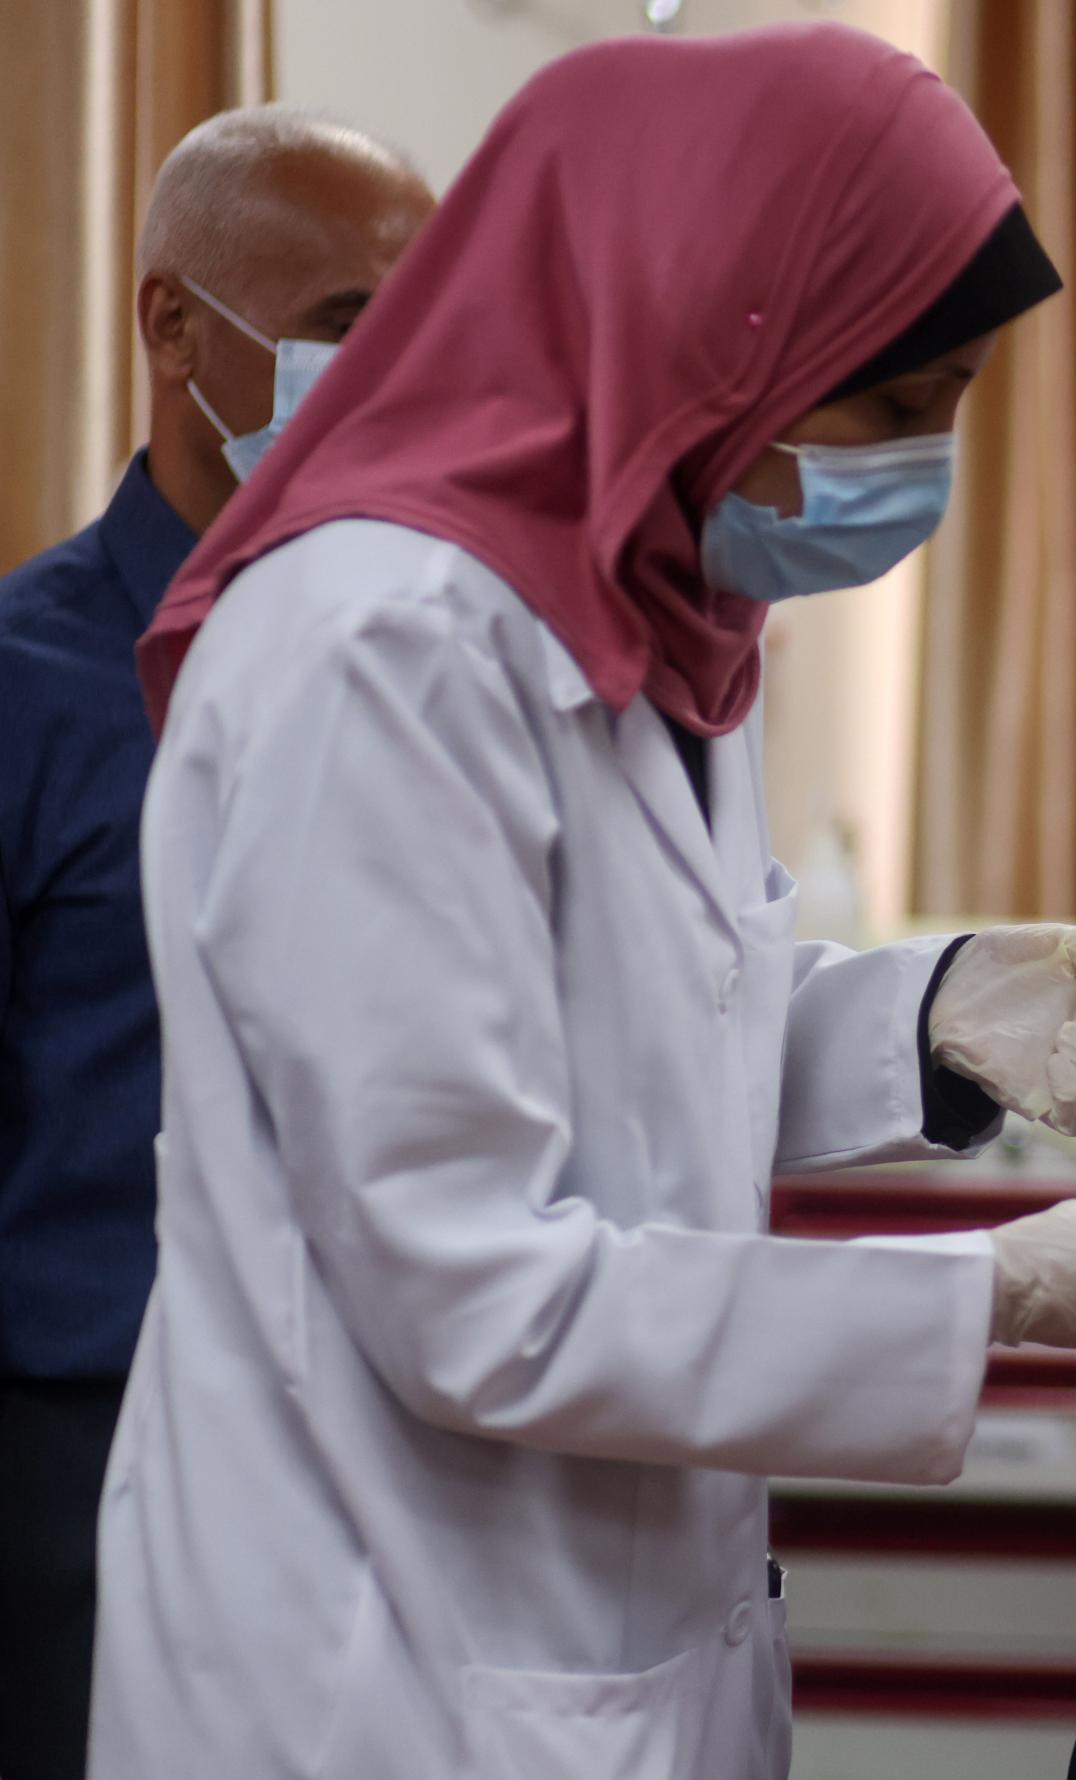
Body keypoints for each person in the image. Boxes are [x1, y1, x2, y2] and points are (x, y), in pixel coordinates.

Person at [88, 29, 1076, 1779]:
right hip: (377, 1668)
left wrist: (920, 1019)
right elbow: (474, 1287)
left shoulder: (657, 602)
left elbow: (622, 1044)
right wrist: (990, 1291)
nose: (922, 473)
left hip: (608, 1633)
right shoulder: (381, 647)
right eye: (891, 407)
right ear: (711, 337)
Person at [0, 106, 432, 1780]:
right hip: (79, 1459)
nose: (391, 378)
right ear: (174, 325)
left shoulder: (428, 675)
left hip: (400, 1440)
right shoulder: (31, 690)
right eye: (344, 329)